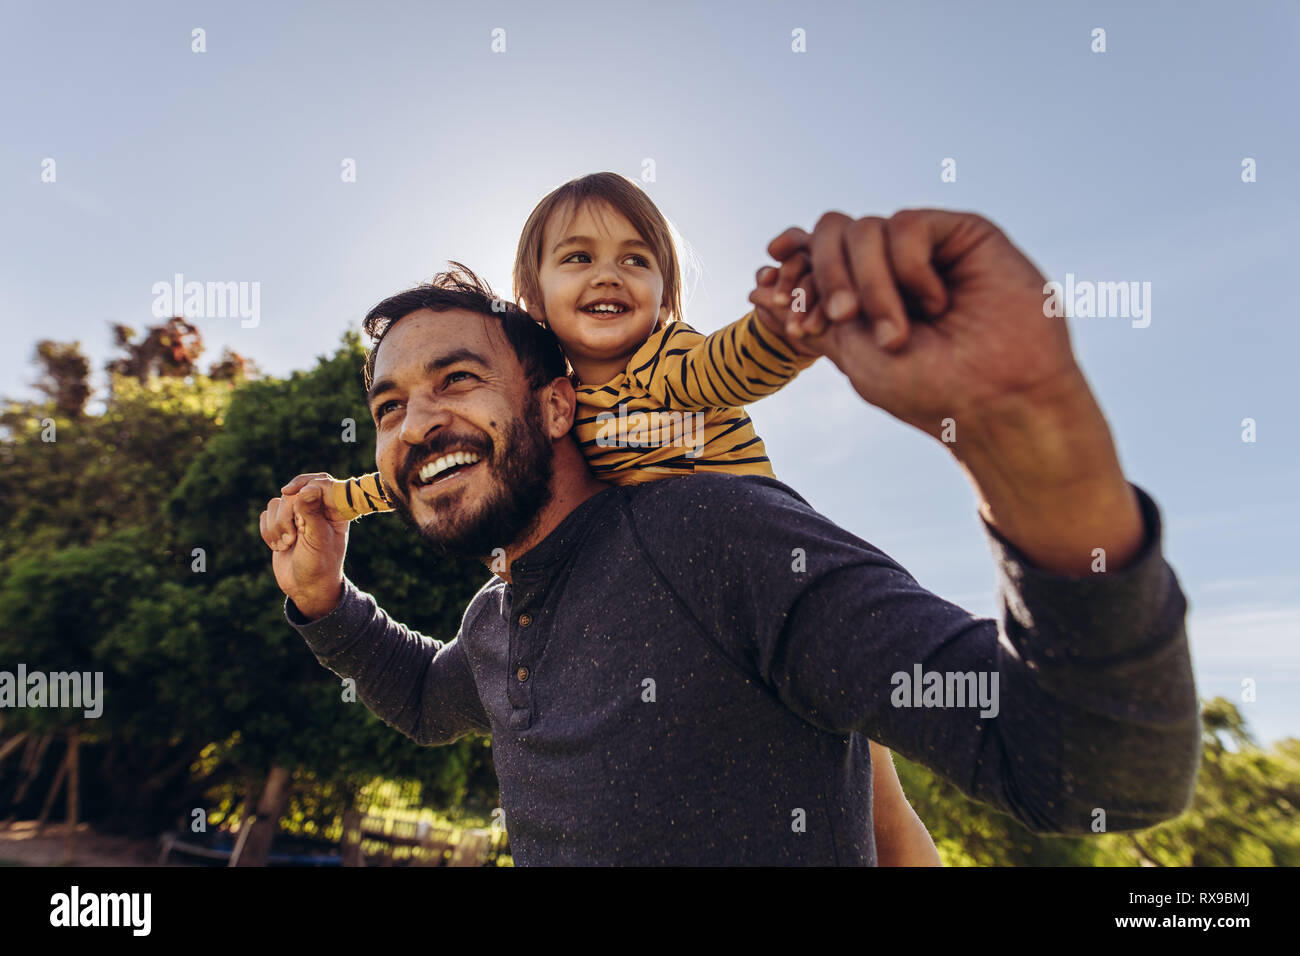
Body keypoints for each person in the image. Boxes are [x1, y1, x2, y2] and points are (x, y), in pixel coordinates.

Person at [260, 208, 1201, 865]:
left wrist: (1038, 444)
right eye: (390, 405)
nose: (416, 422)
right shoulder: (498, 619)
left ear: (555, 405)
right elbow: (427, 701)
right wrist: (321, 600)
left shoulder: (714, 536)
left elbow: (1087, 766)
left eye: (457, 379)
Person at [303, 172, 941, 864]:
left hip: (757, 585)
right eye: (578, 258)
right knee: (871, 789)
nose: (608, 274)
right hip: (719, 610)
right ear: (534, 301)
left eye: (636, 260)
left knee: (881, 800)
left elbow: (733, 364)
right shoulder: (549, 420)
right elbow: (426, 474)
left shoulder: (665, 364)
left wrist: (789, 329)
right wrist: (334, 521)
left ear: (666, 294)